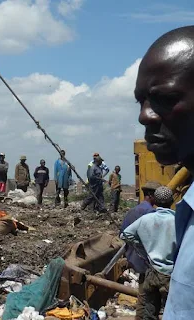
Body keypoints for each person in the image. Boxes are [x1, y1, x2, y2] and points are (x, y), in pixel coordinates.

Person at [134, 26, 194, 318]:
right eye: (141, 101)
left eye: (166, 99)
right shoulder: (182, 213)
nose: (144, 115)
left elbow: (128, 236)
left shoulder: (142, 218)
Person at [121, 186, 176, 319]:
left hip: (151, 273)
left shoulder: (146, 219)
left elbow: (125, 235)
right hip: (171, 275)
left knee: (149, 311)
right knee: (173, 311)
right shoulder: (177, 220)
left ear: (155, 201)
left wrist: (143, 244)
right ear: (172, 201)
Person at [120, 181, 160, 320]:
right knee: (149, 299)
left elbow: (123, 234)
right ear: (150, 195)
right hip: (149, 262)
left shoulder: (132, 211)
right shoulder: (152, 213)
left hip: (136, 259)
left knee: (143, 296)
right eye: (156, 195)